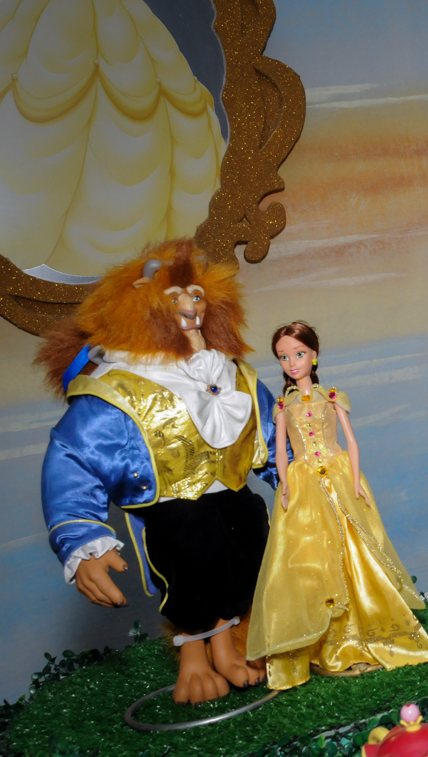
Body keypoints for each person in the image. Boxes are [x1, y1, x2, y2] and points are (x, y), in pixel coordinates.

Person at [39, 239, 275, 704]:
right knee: (189, 573)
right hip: (174, 511)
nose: (190, 306)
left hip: (233, 497)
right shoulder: (119, 387)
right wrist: (81, 541)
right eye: (174, 297)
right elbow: (74, 457)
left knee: (245, 557)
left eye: (197, 295)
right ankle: (193, 658)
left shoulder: (232, 375)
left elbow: (272, 432)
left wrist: (307, 480)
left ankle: (226, 648)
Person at [246, 322, 428, 690]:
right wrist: (285, 485)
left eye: (298, 354)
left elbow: (351, 441)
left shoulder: (332, 397)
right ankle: (327, 643)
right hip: (303, 485)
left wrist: (355, 481)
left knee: (356, 549)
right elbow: (281, 451)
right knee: (310, 556)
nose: (292, 363)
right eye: (283, 357)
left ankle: (369, 630)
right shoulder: (283, 406)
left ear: (314, 355)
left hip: (337, 476)